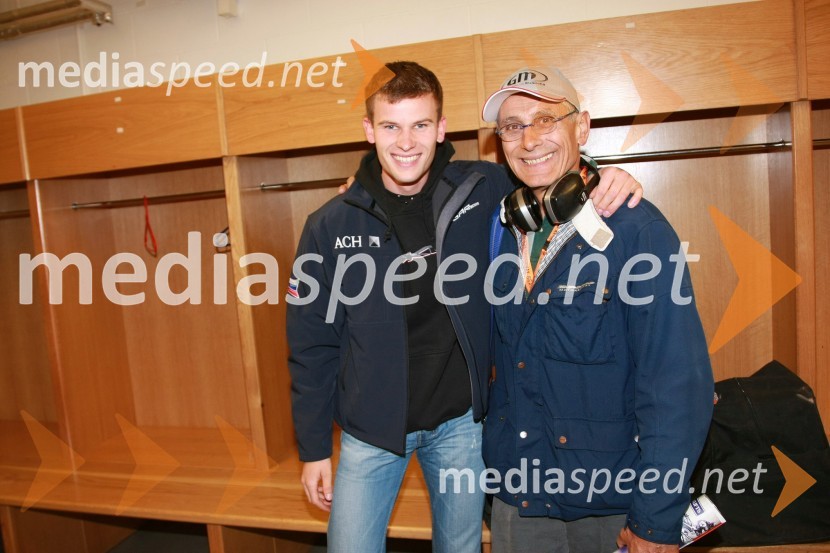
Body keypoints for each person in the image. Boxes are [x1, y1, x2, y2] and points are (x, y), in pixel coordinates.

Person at [286, 61, 643, 553]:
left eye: (420, 125)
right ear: (369, 130)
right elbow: (311, 345)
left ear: (441, 128)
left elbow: (549, 173)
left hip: (461, 426)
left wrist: (604, 176)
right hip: (371, 429)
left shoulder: (483, 187)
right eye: (390, 126)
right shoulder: (330, 223)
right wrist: (312, 450)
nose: (406, 142)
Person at [481, 65, 714, 553]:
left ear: (582, 127)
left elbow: (675, 385)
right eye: (512, 126)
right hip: (519, 501)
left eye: (546, 120)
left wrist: (656, 519)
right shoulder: (503, 231)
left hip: (611, 507)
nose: (529, 139)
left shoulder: (637, 231)